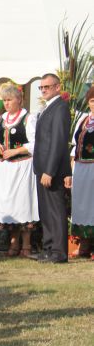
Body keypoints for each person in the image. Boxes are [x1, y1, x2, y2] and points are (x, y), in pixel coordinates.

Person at [0, 84, 39, 258]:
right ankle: (13, 243)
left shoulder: (28, 118)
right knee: (9, 204)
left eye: (9, 100)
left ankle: (26, 246)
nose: (6, 103)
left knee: (23, 203)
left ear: (19, 100)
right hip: (4, 168)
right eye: (4, 100)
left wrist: (15, 151)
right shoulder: (0, 120)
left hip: (22, 166)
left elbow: (34, 143)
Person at [31, 74, 72, 264]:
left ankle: (59, 252)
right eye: (41, 87)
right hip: (42, 167)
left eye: (47, 87)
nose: (43, 90)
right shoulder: (47, 107)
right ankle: (48, 248)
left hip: (51, 170)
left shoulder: (60, 107)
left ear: (57, 87)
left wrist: (50, 170)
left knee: (55, 211)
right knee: (45, 211)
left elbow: (58, 141)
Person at [67, 86, 94, 259]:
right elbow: (75, 147)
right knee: (82, 206)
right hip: (80, 168)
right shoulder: (83, 119)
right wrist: (70, 172)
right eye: (92, 100)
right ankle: (84, 244)